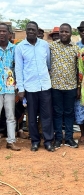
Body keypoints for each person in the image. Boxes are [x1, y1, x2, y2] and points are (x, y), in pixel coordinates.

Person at [15, 21, 54, 152]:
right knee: (31, 117)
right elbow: (18, 69)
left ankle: (48, 141)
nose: (31, 31)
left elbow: (48, 64)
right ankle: (35, 142)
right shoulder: (20, 47)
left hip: (45, 86)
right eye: (29, 29)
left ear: (38, 32)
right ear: (26, 31)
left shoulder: (44, 45)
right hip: (30, 88)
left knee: (47, 115)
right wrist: (21, 89)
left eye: (33, 29)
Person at [50, 23, 80, 149]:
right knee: (57, 113)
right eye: (61, 31)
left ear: (70, 33)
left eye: (66, 31)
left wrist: (78, 87)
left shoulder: (76, 48)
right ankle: (58, 139)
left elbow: (79, 69)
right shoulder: (52, 47)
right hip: (55, 86)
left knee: (69, 113)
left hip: (71, 87)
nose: (63, 34)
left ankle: (69, 138)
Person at [0, 22, 20, 151]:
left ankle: (11, 141)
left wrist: (18, 87)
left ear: (9, 34)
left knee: (10, 115)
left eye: (4, 31)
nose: (1, 33)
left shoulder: (15, 49)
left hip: (9, 87)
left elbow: (18, 68)